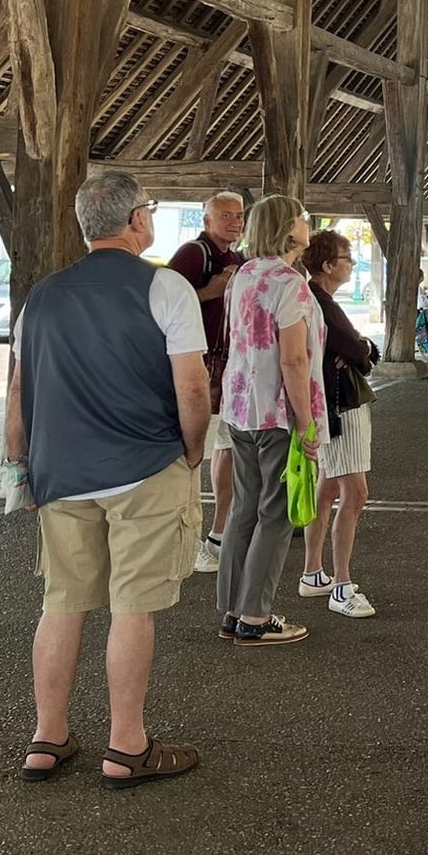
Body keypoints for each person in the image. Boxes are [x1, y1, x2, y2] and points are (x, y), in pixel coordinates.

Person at [5, 170, 208, 790]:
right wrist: (193, 454)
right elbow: (193, 387)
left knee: (62, 603)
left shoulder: (41, 295)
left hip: (60, 472)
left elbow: (17, 392)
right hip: (144, 465)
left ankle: (49, 736)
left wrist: (19, 464)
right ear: (136, 221)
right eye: (148, 209)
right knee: (132, 606)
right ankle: (126, 745)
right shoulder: (166, 287)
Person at [216, 195, 323, 647]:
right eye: (300, 217)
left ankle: (232, 609)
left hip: (239, 407)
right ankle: (257, 617)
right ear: (287, 229)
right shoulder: (290, 283)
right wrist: (306, 422)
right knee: (276, 514)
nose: (306, 222)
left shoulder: (244, 274)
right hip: (278, 411)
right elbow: (294, 360)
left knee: (244, 507)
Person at [299, 230, 381, 618]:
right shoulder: (325, 304)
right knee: (355, 492)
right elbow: (360, 352)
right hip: (343, 405)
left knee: (327, 486)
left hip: (324, 404)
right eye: (347, 257)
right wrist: (360, 349)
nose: (351, 262)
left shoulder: (312, 299)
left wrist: (359, 347)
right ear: (329, 265)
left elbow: (357, 347)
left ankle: (313, 572)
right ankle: (342, 584)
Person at [166, 191, 245, 574]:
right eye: (225, 215)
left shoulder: (237, 259)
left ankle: (217, 531)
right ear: (207, 220)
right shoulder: (193, 255)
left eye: (239, 216)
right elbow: (165, 305)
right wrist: (209, 292)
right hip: (200, 365)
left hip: (229, 366)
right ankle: (189, 540)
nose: (234, 222)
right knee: (192, 450)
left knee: (225, 447)